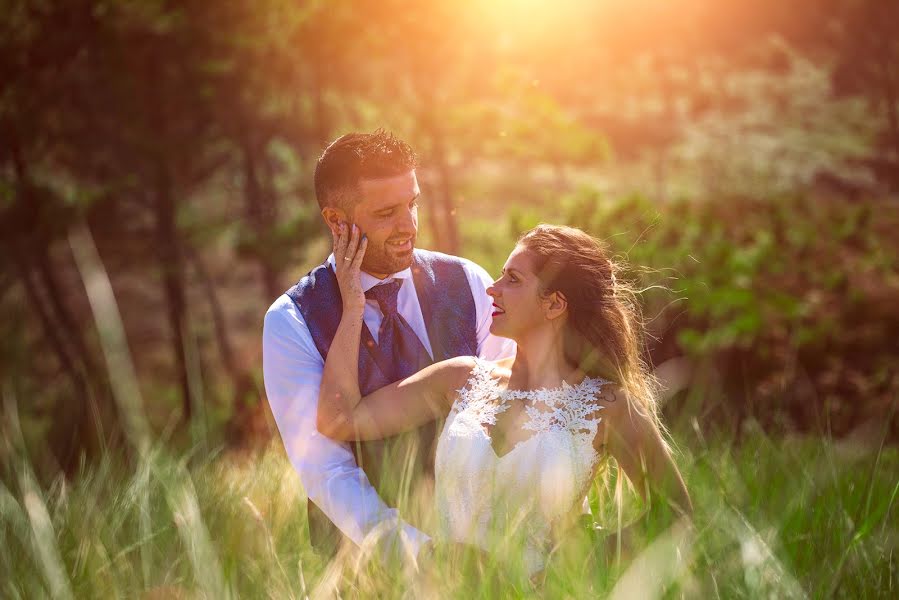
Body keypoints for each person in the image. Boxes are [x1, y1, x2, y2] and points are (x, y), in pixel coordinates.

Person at [318, 222, 692, 578]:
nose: (492, 289)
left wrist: (588, 559)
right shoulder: (460, 378)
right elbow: (340, 419)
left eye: (512, 280)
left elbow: (677, 511)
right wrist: (353, 305)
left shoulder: (607, 407)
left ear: (554, 304)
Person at [262, 130, 514, 560]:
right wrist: (415, 555)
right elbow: (326, 469)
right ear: (336, 221)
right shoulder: (290, 322)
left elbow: (511, 415)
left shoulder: (469, 282)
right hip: (360, 567)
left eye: (412, 204)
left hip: (482, 555)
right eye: (387, 212)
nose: (408, 226)